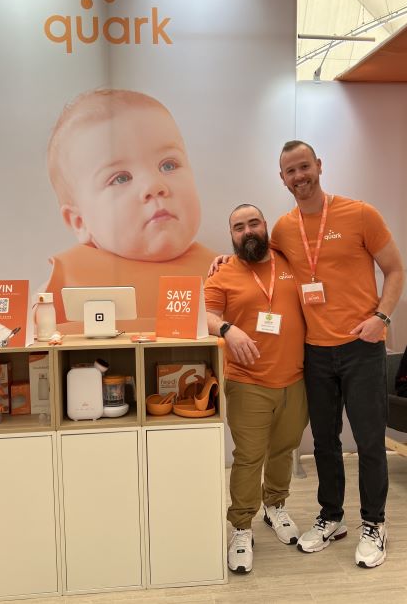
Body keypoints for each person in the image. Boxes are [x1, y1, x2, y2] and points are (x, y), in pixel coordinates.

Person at [209, 141, 404, 568]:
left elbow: (394, 268)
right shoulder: (281, 228)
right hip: (315, 353)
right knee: (326, 443)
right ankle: (332, 516)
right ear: (282, 179)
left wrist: (383, 318)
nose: (299, 176)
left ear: (318, 166)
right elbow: (256, 260)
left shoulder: (360, 214)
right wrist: (228, 260)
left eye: (304, 167)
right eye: (290, 171)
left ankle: (374, 523)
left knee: (370, 442)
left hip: (360, 347)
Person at [46, 88, 215, 332]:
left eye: (168, 164)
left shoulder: (221, 273)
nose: (154, 186)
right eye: (120, 178)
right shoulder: (66, 280)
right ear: (80, 222)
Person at [204, 204, 308, 574]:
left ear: (265, 227)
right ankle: (241, 527)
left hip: (295, 379)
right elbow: (209, 316)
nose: (247, 231)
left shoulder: (290, 262)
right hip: (248, 382)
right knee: (249, 457)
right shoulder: (222, 274)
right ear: (231, 235)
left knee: (284, 449)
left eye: (253, 223)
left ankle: (275, 506)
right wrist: (228, 329)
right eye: (238, 227)